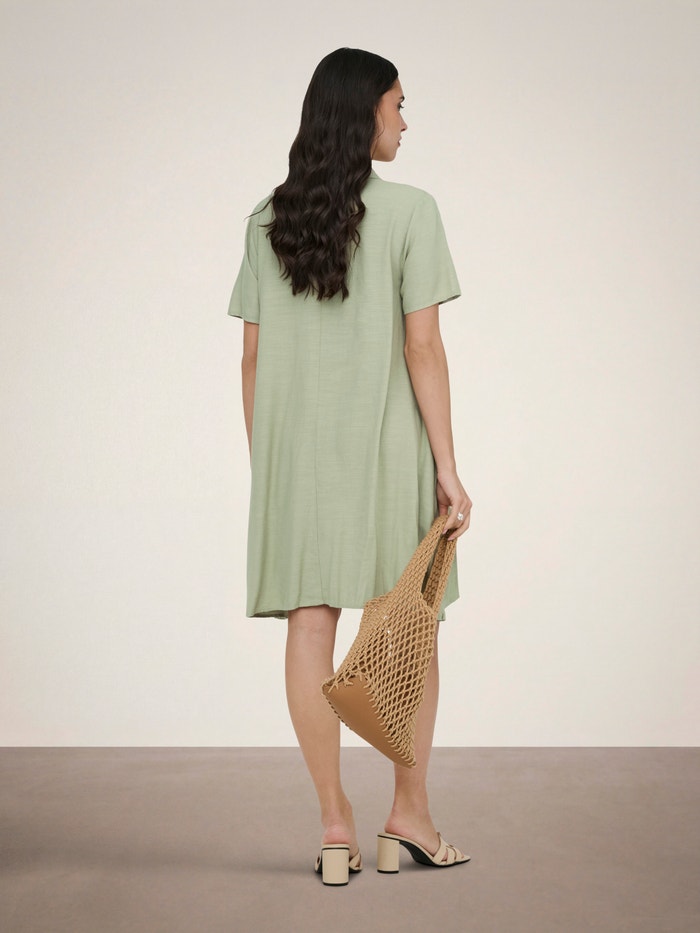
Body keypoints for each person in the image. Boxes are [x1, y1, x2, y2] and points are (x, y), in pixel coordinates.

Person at [228, 47, 473, 884]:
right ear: (365, 111)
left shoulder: (268, 219)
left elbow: (252, 358)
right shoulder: (412, 211)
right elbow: (423, 347)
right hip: (390, 450)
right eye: (399, 104)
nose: (405, 120)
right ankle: (409, 814)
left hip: (296, 460)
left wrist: (270, 465)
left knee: (310, 626)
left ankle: (335, 826)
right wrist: (448, 464)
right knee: (411, 625)